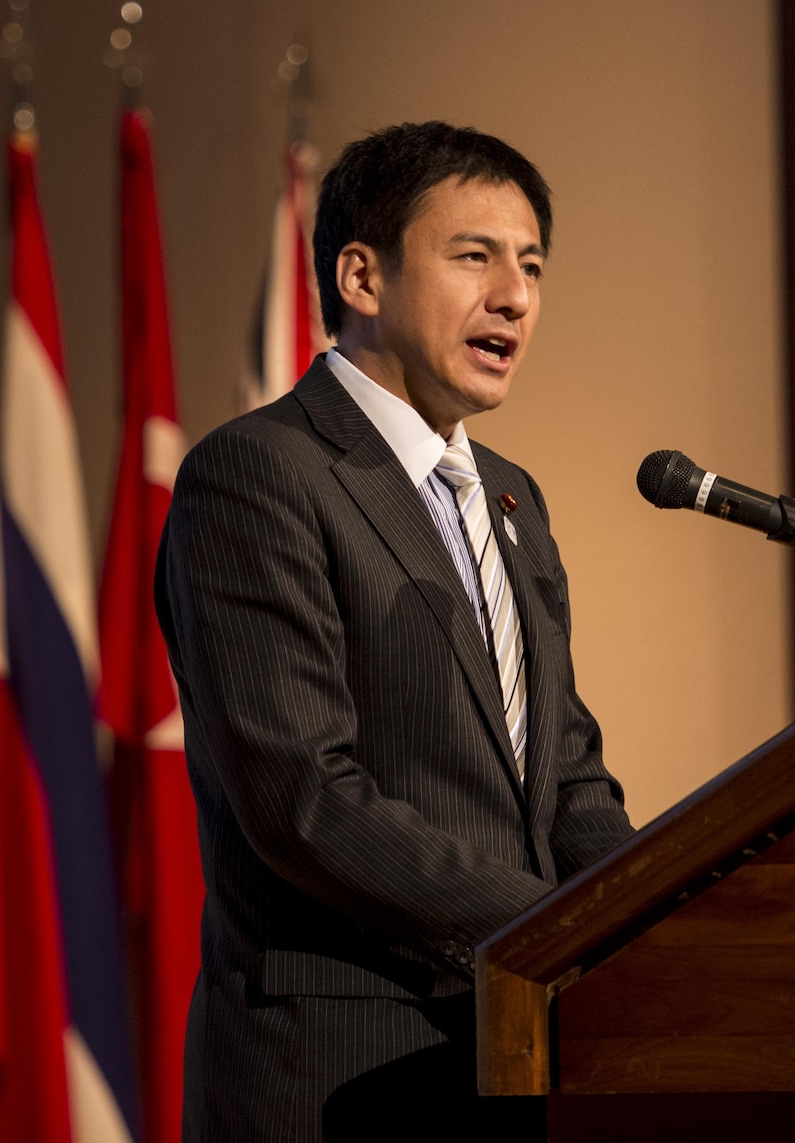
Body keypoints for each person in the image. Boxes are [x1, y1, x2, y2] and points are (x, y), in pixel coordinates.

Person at [156, 121, 634, 1142]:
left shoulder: (509, 499)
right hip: (337, 1073)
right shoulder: (259, 476)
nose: (514, 295)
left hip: (506, 1057)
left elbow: (565, 775)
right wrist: (547, 932)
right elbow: (303, 798)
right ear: (361, 278)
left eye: (531, 265)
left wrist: (653, 923)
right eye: (474, 257)